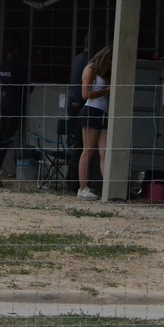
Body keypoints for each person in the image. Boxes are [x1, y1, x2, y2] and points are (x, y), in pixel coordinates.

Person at [66, 30, 104, 193]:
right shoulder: (89, 63)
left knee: (81, 146)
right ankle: (74, 182)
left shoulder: (78, 58)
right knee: (81, 147)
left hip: (76, 103)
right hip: (83, 104)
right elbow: (85, 91)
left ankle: (76, 181)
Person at [77, 45, 113, 201]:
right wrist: (105, 91)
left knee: (104, 152)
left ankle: (108, 187)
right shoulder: (90, 69)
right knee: (88, 150)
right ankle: (82, 188)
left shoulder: (103, 72)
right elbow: (85, 94)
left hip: (103, 113)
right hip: (92, 110)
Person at [0, 38, 26, 178]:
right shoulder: (17, 66)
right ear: (14, 51)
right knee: (7, 136)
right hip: (15, 103)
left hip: (5, 101)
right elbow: (23, 84)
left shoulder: (3, 66)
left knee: (2, 134)